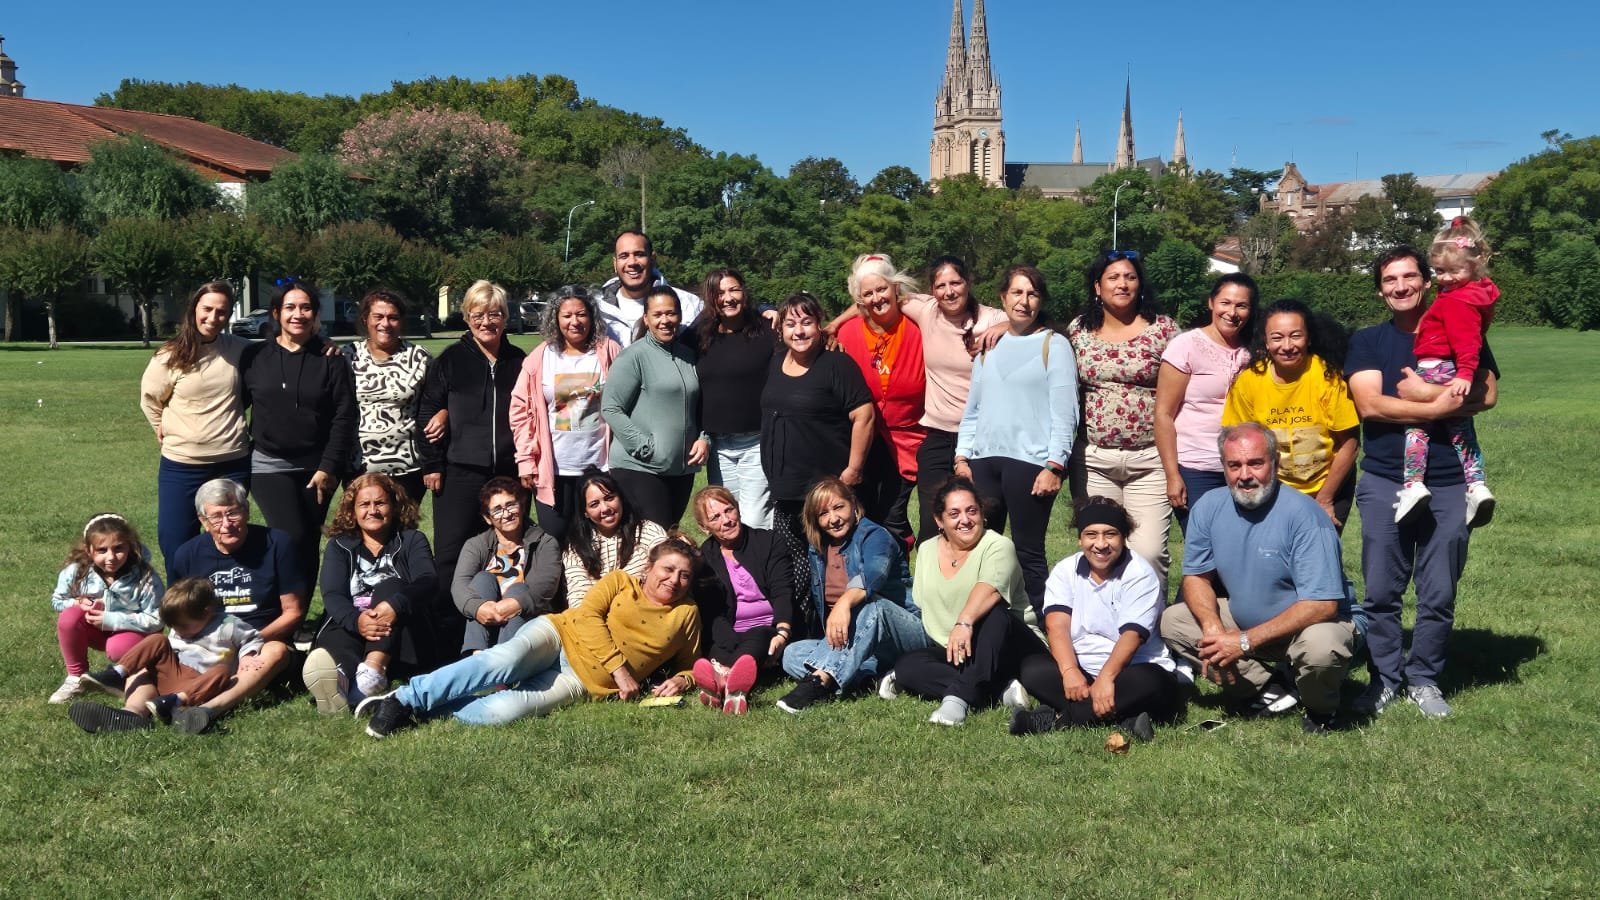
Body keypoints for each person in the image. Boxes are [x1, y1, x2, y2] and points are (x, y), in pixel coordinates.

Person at [1348, 247, 1498, 719]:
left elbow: (1487, 394)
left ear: (1426, 281)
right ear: (1380, 290)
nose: (1401, 286)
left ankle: (1424, 679)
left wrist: (1420, 394)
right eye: (1390, 280)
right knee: (1381, 592)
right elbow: (1371, 405)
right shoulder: (1369, 341)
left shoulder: (1461, 323)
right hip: (1386, 479)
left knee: (1438, 592)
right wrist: (1442, 404)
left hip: (1450, 482)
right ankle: (1384, 679)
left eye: (1409, 276)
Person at [362, 537, 704, 736]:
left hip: (581, 681)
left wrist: (682, 680)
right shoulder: (620, 582)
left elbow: (690, 664)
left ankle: (427, 711)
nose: (674, 580)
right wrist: (619, 670)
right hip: (559, 635)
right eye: (668, 569)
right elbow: (587, 617)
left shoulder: (687, 613)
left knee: (504, 712)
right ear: (648, 568)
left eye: (684, 576)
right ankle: (405, 699)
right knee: (503, 661)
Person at [1159, 423, 1362, 734]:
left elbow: (1322, 605)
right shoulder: (1208, 507)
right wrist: (1213, 629)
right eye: (1234, 465)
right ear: (1223, 467)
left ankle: (1321, 710)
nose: (1245, 475)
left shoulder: (1306, 516)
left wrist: (1243, 641)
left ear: (1275, 463)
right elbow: (1196, 577)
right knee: (1175, 621)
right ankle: (1270, 687)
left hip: (1314, 625)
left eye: (1255, 463)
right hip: (1246, 621)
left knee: (1321, 647)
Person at [954, 265, 1078, 614]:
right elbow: (973, 409)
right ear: (1003, 297)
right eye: (1017, 293)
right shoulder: (989, 347)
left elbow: (1065, 413)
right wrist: (962, 457)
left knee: (1028, 553)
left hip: (1030, 465)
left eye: (1032, 294)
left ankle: (1044, 626)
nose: (1024, 301)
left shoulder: (1055, 346)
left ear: (1041, 300)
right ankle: (982, 623)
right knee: (979, 550)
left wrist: (1055, 465)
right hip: (984, 463)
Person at [1008, 498, 1183, 741]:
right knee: (1033, 670)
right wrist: (1070, 671)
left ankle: (1055, 720)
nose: (1100, 544)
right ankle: (1126, 719)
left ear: (1123, 537)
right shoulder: (1065, 570)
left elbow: (1132, 636)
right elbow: (1056, 626)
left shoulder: (1140, 574)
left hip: (1131, 669)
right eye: (1091, 535)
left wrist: (1106, 679)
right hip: (1081, 668)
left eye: (1110, 534)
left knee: (1152, 682)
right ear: (1080, 539)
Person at [417, 279, 526, 665]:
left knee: (508, 551)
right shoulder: (450, 360)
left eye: (494, 314)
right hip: (459, 472)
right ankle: (449, 637)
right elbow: (427, 410)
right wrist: (432, 463)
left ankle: (503, 631)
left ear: (505, 318)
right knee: (451, 554)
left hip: (509, 473)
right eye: (478, 314)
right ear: (466, 317)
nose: (486, 322)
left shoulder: (519, 361)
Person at [883, 477, 1042, 726]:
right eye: (954, 514)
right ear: (939, 520)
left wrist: (964, 622)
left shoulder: (998, 545)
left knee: (994, 613)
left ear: (982, 514)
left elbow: (990, 590)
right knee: (907, 666)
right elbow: (923, 604)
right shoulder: (927, 550)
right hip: (959, 649)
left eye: (972, 511)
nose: (965, 520)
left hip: (1010, 646)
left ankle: (957, 700)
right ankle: (999, 689)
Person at [759, 292, 875, 626]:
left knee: (832, 567)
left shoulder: (836, 365)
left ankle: (840, 631)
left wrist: (853, 470)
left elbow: (864, 416)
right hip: (785, 489)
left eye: (806, 323)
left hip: (826, 490)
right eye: (790, 324)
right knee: (794, 564)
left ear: (819, 325)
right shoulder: (776, 361)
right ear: (781, 329)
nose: (799, 331)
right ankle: (800, 633)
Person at [1068, 250, 1180, 588]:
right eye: (1113, 277)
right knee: (1100, 550)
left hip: (1150, 460)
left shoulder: (1164, 330)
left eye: (1130, 277)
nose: (1122, 284)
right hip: (1094, 460)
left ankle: (1149, 617)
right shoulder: (1078, 330)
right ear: (1097, 287)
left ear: (1140, 284)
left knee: (1149, 553)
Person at [239, 279, 356, 593]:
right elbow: (233, 403)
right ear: (276, 313)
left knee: (308, 539)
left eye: (306, 308)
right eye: (290, 307)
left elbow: (344, 416)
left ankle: (298, 613)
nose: (298, 314)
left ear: (315, 314)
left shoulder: (331, 359)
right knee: (290, 536)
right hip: (268, 464)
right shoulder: (254, 357)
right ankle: (282, 607)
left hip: (317, 468)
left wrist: (328, 467)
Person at [165, 478, 306, 733]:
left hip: (261, 641)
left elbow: (293, 612)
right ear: (203, 521)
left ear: (247, 510)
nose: (226, 524)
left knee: (277, 651)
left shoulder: (277, 543)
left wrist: (246, 645)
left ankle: (208, 710)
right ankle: (133, 711)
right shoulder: (187, 555)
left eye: (233, 513)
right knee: (153, 649)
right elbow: (178, 613)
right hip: (201, 644)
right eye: (216, 517)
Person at [776, 478, 927, 713]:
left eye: (839, 507)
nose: (833, 518)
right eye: (823, 513)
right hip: (861, 640)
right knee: (792, 654)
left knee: (873, 607)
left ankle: (819, 682)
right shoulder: (818, 549)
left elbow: (872, 578)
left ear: (853, 504)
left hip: (902, 632)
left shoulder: (875, 536)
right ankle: (869, 678)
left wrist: (843, 604)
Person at [302, 473, 438, 714]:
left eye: (380, 503)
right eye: (364, 504)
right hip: (353, 624)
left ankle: (371, 675)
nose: (372, 510)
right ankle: (340, 680)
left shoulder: (412, 539)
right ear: (352, 511)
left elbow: (428, 580)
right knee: (339, 631)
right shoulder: (339, 545)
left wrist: (395, 604)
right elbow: (332, 594)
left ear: (394, 506)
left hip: (401, 632)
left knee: (390, 585)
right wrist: (357, 621)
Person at [139, 281, 251, 567]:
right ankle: (181, 596)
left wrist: (323, 343)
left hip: (232, 462)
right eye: (207, 309)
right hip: (182, 465)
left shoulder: (240, 349)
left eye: (222, 312)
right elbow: (150, 400)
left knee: (229, 540)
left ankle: (226, 592)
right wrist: (162, 428)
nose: (213, 318)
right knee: (175, 542)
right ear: (194, 309)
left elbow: (281, 349)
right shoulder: (169, 355)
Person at [1397, 216, 1500, 526]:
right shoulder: (1473, 293)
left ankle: (1413, 484)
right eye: (1440, 271)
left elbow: (1468, 342)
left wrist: (1465, 373)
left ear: (1475, 264)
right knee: (1461, 430)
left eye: (1455, 271)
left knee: (1417, 427)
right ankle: (1476, 485)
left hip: (1437, 366)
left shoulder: (1458, 301)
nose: (1447, 279)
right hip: (1451, 368)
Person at [1221, 299, 1359, 530]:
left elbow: (1350, 445)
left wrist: (1325, 499)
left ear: (1308, 338)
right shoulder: (1248, 382)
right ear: (1265, 341)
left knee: (1319, 551)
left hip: (1328, 488)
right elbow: (1235, 441)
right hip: (1272, 492)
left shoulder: (1328, 377)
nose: (1287, 346)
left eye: (1296, 336)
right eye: (1277, 337)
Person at [69, 578, 263, 733]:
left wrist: (248, 655)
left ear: (206, 613)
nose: (178, 631)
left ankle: (174, 702)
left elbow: (253, 638)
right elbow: (169, 647)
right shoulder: (181, 626)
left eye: (183, 626)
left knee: (221, 671)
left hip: (200, 684)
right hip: (173, 673)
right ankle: (117, 674)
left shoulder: (229, 625)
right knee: (158, 639)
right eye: (173, 626)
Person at [509, 285, 622, 539]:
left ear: (592, 316)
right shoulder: (540, 358)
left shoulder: (609, 351)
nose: (575, 322)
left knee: (600, 539)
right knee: (555, 539)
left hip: (600, 467)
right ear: (555, 319)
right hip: (555, 471)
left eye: (581, 314)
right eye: (567, 315)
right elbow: (520, 412)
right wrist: (526, 460)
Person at [833, 253, 927, 550]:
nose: (877, 298)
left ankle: (898, 565)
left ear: (895, 287)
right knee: (863, 514)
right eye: (868, 294)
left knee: (892, 516)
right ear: (859, 300)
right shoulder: (846, 333)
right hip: (861, 440)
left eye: (882, 289)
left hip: (909, 441)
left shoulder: (920, 325)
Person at [1154, 273, 1259, 533]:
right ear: (1211, 303)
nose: (1232, 312)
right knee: (1205, 545)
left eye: (1241, 306)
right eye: (1225, 303)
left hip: (1247, 467)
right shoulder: (1186, 346)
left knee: (1246, 543)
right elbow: (1163, 414)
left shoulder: (1255, 349)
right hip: (1197, 467)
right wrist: (1172, 475)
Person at [600, 286, 707, 527]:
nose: (665, 320)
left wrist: (703, 438)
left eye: (670, 313)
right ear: (646, 319)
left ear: (680, 316)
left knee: (669, 534)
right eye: (657, 314)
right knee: (654, 538)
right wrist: (645, 447)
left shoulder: (688, 356)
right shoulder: (633, 357)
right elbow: (611, 408)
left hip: (681, 469)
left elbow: (698, 406)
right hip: (640, 468)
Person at [688, 486, 794, 715]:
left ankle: (722, 680)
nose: (726, 520)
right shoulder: (705, 557)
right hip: (732, 631)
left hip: (768, 627)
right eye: (715, 517)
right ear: (704, 527)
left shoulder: (768, 542)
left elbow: (782, 591)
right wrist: (730, 641)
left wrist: (782, 631)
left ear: (738, 509)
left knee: (757, 636)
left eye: (729, 510)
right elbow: (713, 613)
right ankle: (733, 686)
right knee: (718, 643)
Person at [47, 513, 164, 704]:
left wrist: (111, 619)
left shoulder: (145, 576)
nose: (111, 557)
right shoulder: (76, 572)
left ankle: (126, 675)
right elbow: (58, 600)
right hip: (94, 630)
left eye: (118, 548)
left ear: (130, 547)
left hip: (132, 633)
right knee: (69, 618)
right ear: (88, 550)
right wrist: (76, 603)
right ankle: (76, 677)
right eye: (102, 550)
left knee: (117, 648)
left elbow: (157, 619)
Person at [694, 268, 779, 529]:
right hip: (719, 446)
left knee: (754, 520)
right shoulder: (699, 335)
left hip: (756, 442)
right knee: (726, 519)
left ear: (744, 292)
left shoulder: (767, 330)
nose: (728, 298)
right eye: (719, 293)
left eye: (734, 290)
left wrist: (768, 308)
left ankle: (764, 556)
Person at [451, 477, 560, 654]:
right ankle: (478, 656)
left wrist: (515, 604)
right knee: (483, 579)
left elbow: (545, 586)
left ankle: (502, 661)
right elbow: (459, 586)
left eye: (511, 505)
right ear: (488, 518)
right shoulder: (475, 545)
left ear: (521, 506)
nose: (506, 514)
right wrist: (478, 608)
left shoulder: (545, 543)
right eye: (497, 510)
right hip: (488, 623)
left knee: (519, 589)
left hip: (529, 626)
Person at [343, 288, 432, 505]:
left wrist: (443, 414)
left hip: (408, 467)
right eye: (378, 317)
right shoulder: (347, 356)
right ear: (365, 319)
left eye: (393, 317)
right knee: (368, 524)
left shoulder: (420, 357)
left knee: (405, 526)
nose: (385, 323)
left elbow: (438, 400)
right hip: (360, 467)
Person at [561, 470, 669, 606]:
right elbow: (577, 596)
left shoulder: (648, 531)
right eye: (594, 504)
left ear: (620, 498)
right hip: (594, 615)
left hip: (644, 611)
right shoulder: (577, 547)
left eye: (609, 498)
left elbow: (668, 566)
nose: (605, 508)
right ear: (585, 513)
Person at [598, 230, 705, 347]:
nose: (632, 262)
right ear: (615, 264)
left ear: (653, 259)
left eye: (639, 254)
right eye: (624, 256)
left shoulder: (690, 305)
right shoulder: (595, 311)